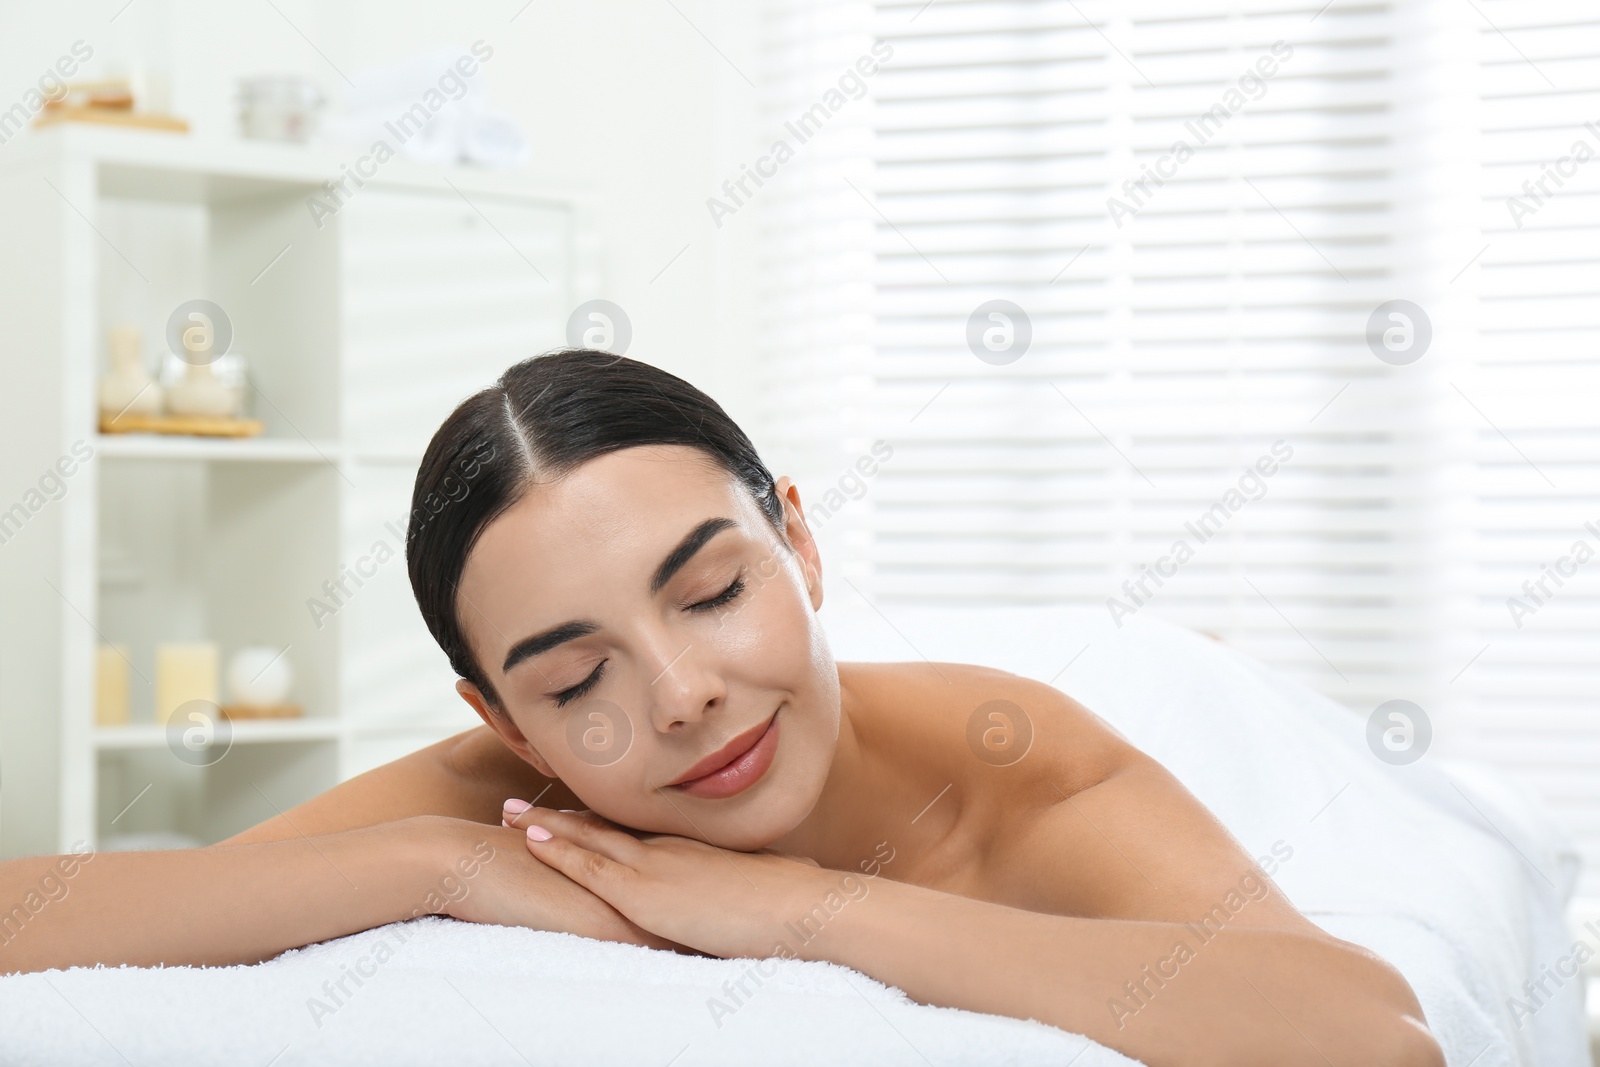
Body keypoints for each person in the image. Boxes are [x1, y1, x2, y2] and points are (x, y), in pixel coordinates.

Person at [1, 350, 1444, 1067]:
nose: (681, 695)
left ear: (799, 545)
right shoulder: (507, 796)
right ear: (501, 719)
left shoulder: (1019, 765)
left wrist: (805, 912)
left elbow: (1376, 1036)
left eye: (710, 593)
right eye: (575, 681)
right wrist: (434, 865)